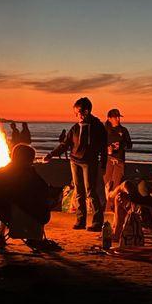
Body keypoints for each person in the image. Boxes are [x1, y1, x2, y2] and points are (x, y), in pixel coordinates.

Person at [44, 97, 107, 231]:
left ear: (87, 111)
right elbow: (65, 144)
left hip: (90, 162)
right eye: (76, 113)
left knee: (91, 192)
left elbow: (103, 147)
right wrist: (51, 154)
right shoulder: (75, 128)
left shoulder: (97, 126)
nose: (77, 116)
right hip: (74, 161)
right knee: (79, 192)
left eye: (79, 113)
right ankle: (80, 221)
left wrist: (103, 165)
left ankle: (97, 222)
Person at [0, 144, 51, 240]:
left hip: (13, 215)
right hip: (37, 218)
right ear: (30, 160)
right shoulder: (36, 179)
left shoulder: (2, 174)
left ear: (13, 157)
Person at [104, 108, 132, 210]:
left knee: (117, 187)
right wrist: (107, 150)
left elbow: (129, 145)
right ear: (109, 118)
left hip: (119, 161)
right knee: (108, 186)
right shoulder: (105, 130)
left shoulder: (123, 130)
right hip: (108, 160)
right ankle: (108, 210)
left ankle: (114, 211)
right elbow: (98, 144)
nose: (118, 119)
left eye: (118, 117)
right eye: (116, 117)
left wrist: (121, 145)